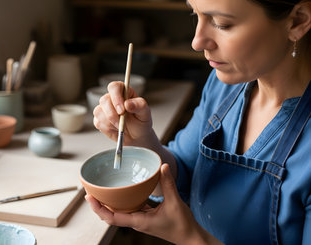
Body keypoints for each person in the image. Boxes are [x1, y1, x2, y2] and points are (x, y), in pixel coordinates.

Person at [85, 0, 311, 244]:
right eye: (196, 15)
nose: (197, 42)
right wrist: (140, 141)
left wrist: (188, 237)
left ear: (297, 20)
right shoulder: (224, 87)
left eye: (222, 24)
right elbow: (184, 173)